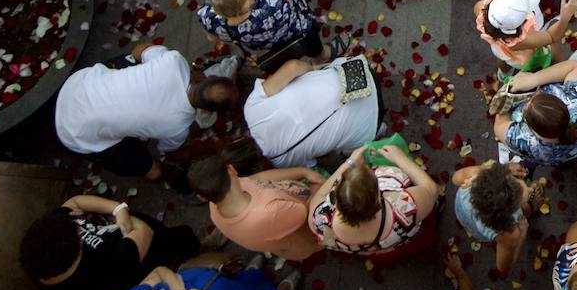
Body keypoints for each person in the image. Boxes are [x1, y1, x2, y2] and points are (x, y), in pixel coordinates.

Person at [54, 43, 238, 179]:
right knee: (155, 172)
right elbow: (172, 153)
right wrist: (214, 147)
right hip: (74, 133)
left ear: (208, 76)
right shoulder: (177, 126)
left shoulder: (173, 61)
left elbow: (139, 50)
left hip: (77, 86)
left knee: (132, 62)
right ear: (207, 112)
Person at [18, 197, 200, 290]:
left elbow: (74, 202)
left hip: (127, 235)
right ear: (76, 252)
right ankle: (198, 253)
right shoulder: (107, 267)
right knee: (181, 240)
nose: (79, 228)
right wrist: (114, 218)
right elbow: (145, 231)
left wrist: (117, 209)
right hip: (151, 249)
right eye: (78, 233)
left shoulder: (43, 260)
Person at [244, 57, 383, 168]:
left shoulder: (282, 162)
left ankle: (379, 131)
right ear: (237, 139)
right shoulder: (251, 107)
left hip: (371, 122)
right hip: (359, 72)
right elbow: (293, 66)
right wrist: (313, 69)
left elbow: (315, 161)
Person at [307, 144, 442, 256]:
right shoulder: (403, 209)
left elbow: (317, 198)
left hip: (370, 249)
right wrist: (400, 158)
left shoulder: (321, 219)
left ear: (337, 199)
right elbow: (432, 190)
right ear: (379, 197)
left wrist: (349, 163)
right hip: (397, 237)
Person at [198, 0, 334, 69]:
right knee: (312, 43)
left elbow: (212, 37)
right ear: (248, 3)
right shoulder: (270, 6)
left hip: (269, 43)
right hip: (297, 28)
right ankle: (322, 57)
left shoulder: (209, 17)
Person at [187, 154, 324, 261]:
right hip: (307, 234)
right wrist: (318, 187)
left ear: (202, 196)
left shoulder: (215, 202)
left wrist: (304, 172)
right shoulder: (268, 212)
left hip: (291, 215)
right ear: (231, 170)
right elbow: (308, 213)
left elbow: (258, 179)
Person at [496, 56, 577, 166]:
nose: (530, 98)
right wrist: (534, 79)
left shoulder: (524, 140)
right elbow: (575, 67)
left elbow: (499, 126)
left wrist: (506, 95)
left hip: (555, 158)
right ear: (562, 104)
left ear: (533, 129)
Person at [474, 0, 577, 71]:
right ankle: (566, 70)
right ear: (520, 24)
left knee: (502, 58)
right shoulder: (519, 41)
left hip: (498, 49)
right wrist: (564, 19)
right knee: (554, 50)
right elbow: (550, 37)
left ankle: (503, 72)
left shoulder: (480, 7)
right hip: (517, 57)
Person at [449, 161, 544, 273]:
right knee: (526, 212)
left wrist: (503, 168)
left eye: (517, 182)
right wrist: (522, 233)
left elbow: (455, 178)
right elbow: (502, 267)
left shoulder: (475, 174)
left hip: (463, 211)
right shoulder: (508, 233)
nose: (530, 189)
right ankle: (530, 208)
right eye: (525, 195)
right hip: (482, 227)